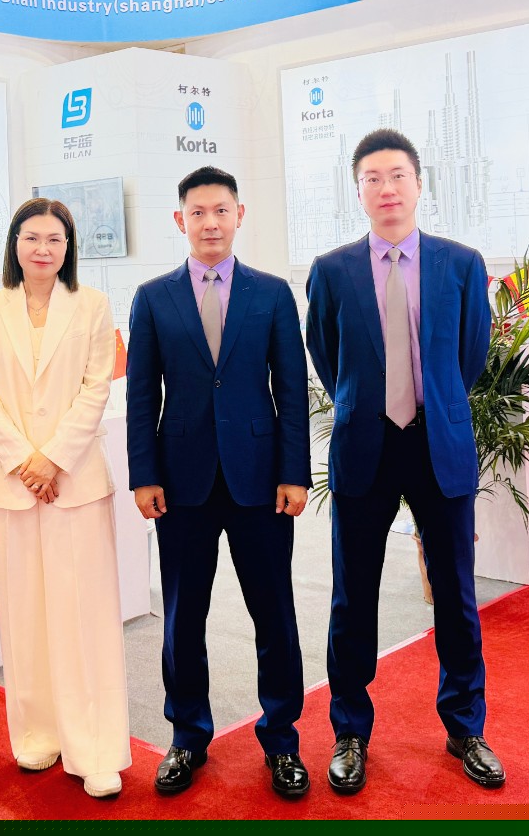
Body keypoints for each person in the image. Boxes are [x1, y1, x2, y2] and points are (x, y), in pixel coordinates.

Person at [304, 128, 502, 793]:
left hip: (437, 444)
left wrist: (430, 406)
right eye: (372, 179)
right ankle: (350, 732)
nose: (386, 189)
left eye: (397, 176)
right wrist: (366, 405)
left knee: (456, 595)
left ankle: (466, 727)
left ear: (419, 184)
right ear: (358, 192)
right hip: (365, 447)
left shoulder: (460, 264)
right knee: (352, 598)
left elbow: (469, 355)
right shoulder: (332, 271)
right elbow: (326, 355)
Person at [126, 166, 311, 798]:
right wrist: (145, 474)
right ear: (180, 220)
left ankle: (281, 738)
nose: (210, 223)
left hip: (261, 480)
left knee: (274, 612)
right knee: (183, 617)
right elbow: (142, 395)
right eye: (198, 213)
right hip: (182, 484)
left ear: (239, 215)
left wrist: (293, 472)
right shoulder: (153, 297)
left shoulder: (272, 293)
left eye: (221, 211)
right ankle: (187, 736)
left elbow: (291, 389)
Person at [0, 197, 129, 798]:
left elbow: (95, 390)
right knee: (25, 613)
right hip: (11, 484)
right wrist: (23, 461)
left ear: (68, 248)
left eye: (54, 239)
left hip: (75, 480)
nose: (42, 248)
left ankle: (95, 748)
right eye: (31, 237)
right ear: (15, 244)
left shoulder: (92, 305)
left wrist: (53, 459)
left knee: (84, 615)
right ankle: (38, 735)